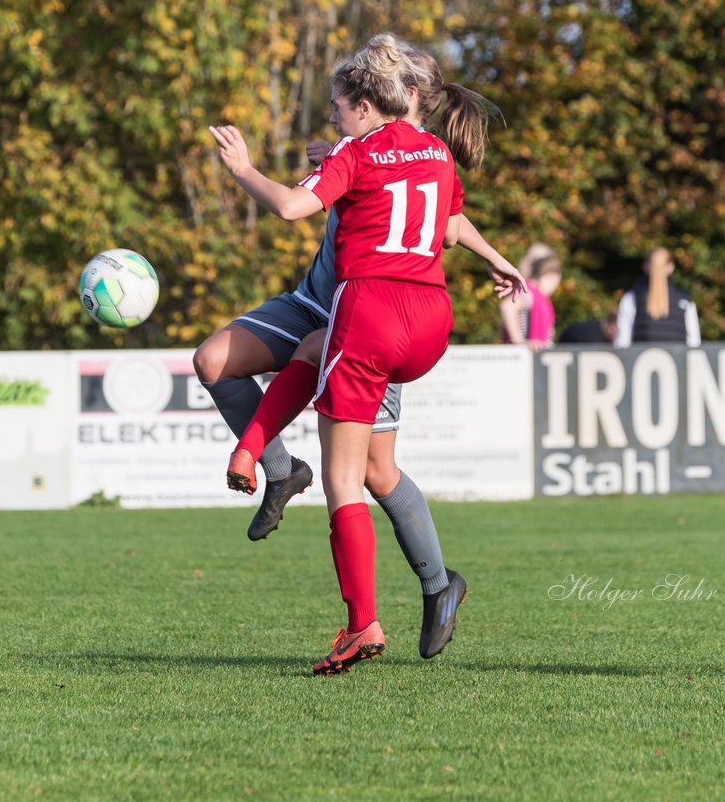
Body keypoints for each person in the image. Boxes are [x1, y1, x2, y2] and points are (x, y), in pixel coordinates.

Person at [210, 34, 521, 675]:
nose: (331, 113)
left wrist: (242, 169)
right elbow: (444, 221)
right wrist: (496, 258)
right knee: (269, 356)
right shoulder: (433, 152)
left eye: (338, 103)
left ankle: (369, 620)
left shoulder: (359, 150)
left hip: (369, 312)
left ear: (377, 100)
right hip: (423, 317)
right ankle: (269, 463)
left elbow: (296, 206)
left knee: (357, 477)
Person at [613, 247, 701, 347]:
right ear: (670, 267)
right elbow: (694, 342)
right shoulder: (685, 301)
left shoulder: (632, 298)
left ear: (645, 266)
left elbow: (622, 341)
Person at [499, 244, 560, 350]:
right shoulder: (530, 293)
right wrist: (518, 341)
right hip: (526, 358)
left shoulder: (533, 293)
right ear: (552, 275)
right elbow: (507, 306)